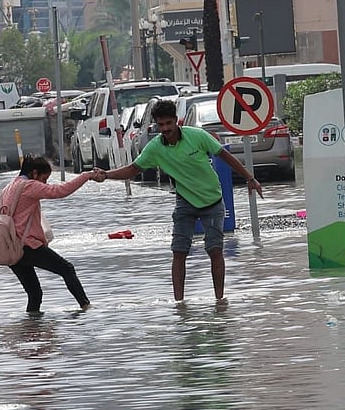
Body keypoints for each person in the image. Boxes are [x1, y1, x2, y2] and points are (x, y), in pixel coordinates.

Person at [96, 98, 262, 303]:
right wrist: (106, 174)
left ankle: (220, 300)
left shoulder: (198, 136)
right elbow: (133, 169)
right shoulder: (155, 147)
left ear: (177, 121)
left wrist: (250, 178)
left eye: (168, 124)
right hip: (185, 202)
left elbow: (224, 155)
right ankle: (179, 304)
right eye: (161, 125)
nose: (165, 129)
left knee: (215, 249)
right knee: (179, 251)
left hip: (212, 200)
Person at [0, 155, 102, 312]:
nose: (45, 183)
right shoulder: (29, 186)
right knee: (66, 269)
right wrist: (86, 176)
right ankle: (86, 307)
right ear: (34, 174)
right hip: (28, 246)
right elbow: (60, 191)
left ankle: (30, 331)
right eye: (44, 178)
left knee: (34, 294)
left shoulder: (9, 188)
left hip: (10, 248)